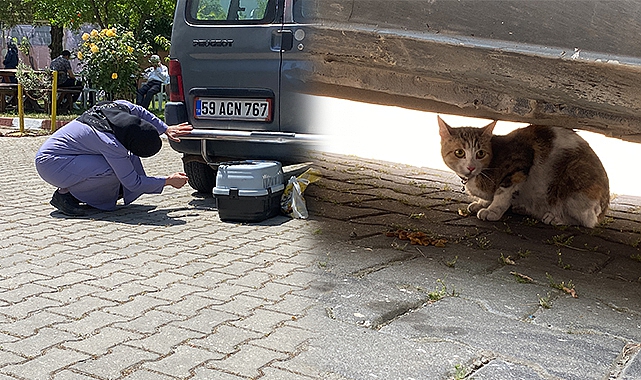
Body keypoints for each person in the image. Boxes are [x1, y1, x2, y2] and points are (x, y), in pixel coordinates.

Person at [35, 100, 193, 216]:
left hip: (67, 155)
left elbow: (140, 111)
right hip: (51, 164)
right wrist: (167, 181)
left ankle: (104, 192)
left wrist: (165, 129)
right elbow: (133, 182)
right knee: (112, 170)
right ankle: (66, 195)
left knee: (122, 165)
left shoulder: (121, 108)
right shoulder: (111, 143)